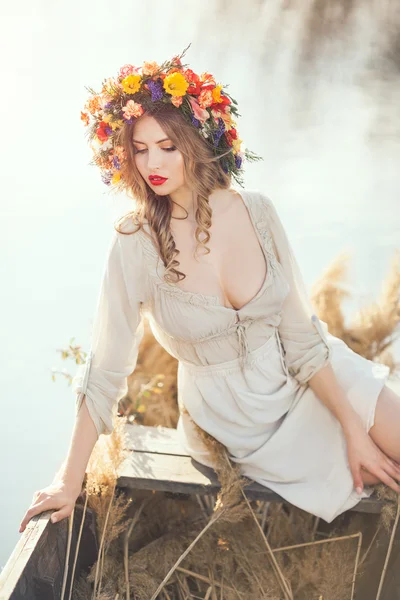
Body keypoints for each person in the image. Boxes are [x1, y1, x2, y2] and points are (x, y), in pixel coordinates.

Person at [19, 46, 400, 533]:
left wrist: (353, 426)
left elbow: (303, 337)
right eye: (140, 148)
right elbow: (105, 371)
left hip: (308, 379)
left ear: (197, 142)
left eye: (167, 146)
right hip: (232, 419)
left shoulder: (256, 211)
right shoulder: (134, 242)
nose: (151, 162)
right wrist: (67, 480)